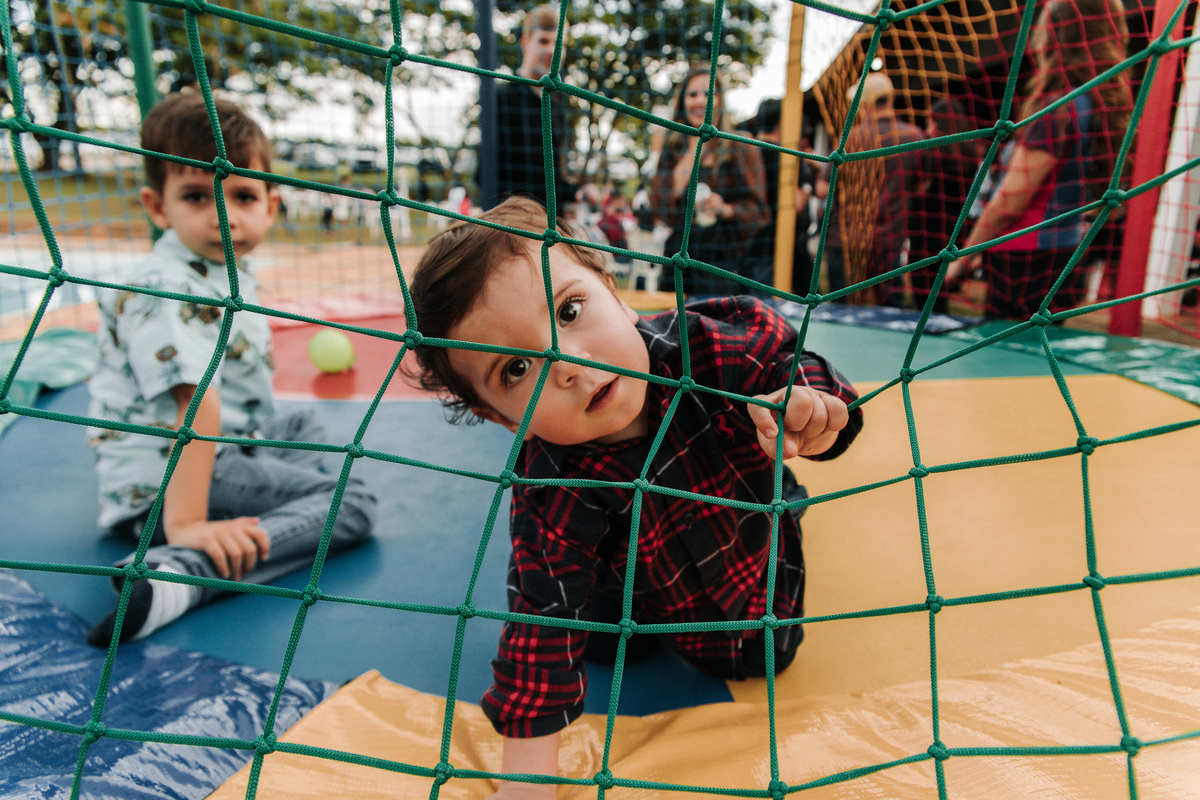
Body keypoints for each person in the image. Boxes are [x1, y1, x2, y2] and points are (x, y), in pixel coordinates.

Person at [408, 197, 863, 797]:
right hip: (628, 579)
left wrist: (809, 408)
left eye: (570, 310)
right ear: (502, 418)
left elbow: (802, 374)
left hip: (742, 545)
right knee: (598, 640)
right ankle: (613, 602)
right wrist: (527, 786)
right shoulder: (549, 486)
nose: (568, 364)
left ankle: (781, 503)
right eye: (516, 368)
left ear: (614, 290)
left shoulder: (711, 349)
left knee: (765, 660)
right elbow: (539, 631)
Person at [84, 92, 377, 646]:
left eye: (242, 195)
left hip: (220, 446)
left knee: (300, 422)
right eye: (197, 196)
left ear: (270, 205)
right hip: (168, 483)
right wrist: (188, 525)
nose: (224, 214)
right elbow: (197, 406)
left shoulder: (226, 267)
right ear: (157, 207)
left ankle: (269, 509)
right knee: (352, 505)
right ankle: (181, 573)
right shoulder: (169, 285)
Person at [947, 0, 1133, 320]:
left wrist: (963, 257)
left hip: (1024, 259)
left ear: (1055, 36)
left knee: (1004, 348)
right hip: (1063, 253)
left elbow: (1011, 199)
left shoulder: (1058, 109)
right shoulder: (1097, 104)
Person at [650, 66, 770, 297]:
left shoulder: (741, 147)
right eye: (692, 94)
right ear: (682, 101)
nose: (699, 101)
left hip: (722, 262)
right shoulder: (672, 147)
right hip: (678, 258)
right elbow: (661, 205)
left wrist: (724, 209)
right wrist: (695, 146)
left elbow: (758, 212)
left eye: (708, 94)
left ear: (720, 100)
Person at [814, 72, 925, 304]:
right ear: (890, 98)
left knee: (842, 313)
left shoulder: (850, 138)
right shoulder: (914, 136)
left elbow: (822, 189)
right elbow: (922, 185)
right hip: (889, 239)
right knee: (891, 312)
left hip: (846, 239)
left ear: (863, 104)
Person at [489, 3, 579, 213]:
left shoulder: (558, 104)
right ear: (525, 42)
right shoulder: (501, 99)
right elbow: (486, 175)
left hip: (551, 223)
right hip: (511, 221)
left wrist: (577, 192)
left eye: (560, 44)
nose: (552, 51)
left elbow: (552, 180)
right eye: (543, 41)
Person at [907, 99, 980, 314]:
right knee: (939, 289)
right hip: (953, 228)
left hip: (927, 229)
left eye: (931, 123)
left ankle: (928, 325)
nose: (928, 129)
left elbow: (922, 189)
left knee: (924, 290)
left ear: (940, 124)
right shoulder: (968, 152)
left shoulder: (934, 152)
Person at [747, 98, 818, 296]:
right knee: (806, 299)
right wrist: (804, 190)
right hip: (782, 247)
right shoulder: (784, 155)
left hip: (755, 246)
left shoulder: (750, 149)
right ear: (783, 123)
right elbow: (796, 203)